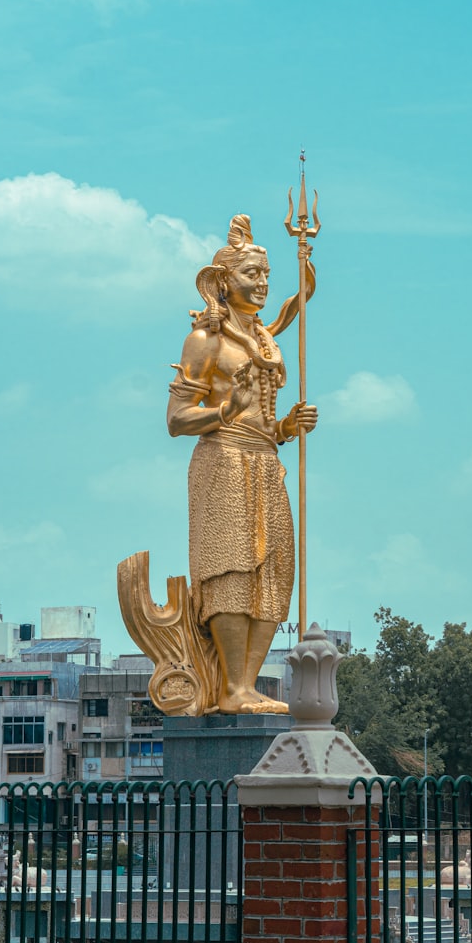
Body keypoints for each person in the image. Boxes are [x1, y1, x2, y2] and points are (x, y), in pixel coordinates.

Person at [167, 214, 317, 714]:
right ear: (224, 281)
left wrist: (287, 426)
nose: (262, 283)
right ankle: (231, 688)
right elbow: (176, 419)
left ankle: (247, 685)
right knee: (231, 568)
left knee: (273, 571)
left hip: (265, 460)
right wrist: (222, 412)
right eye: (252, 274)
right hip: (223, 459)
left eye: (266, 275)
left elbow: (299, 300)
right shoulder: (206, 340)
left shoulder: (266, 337)